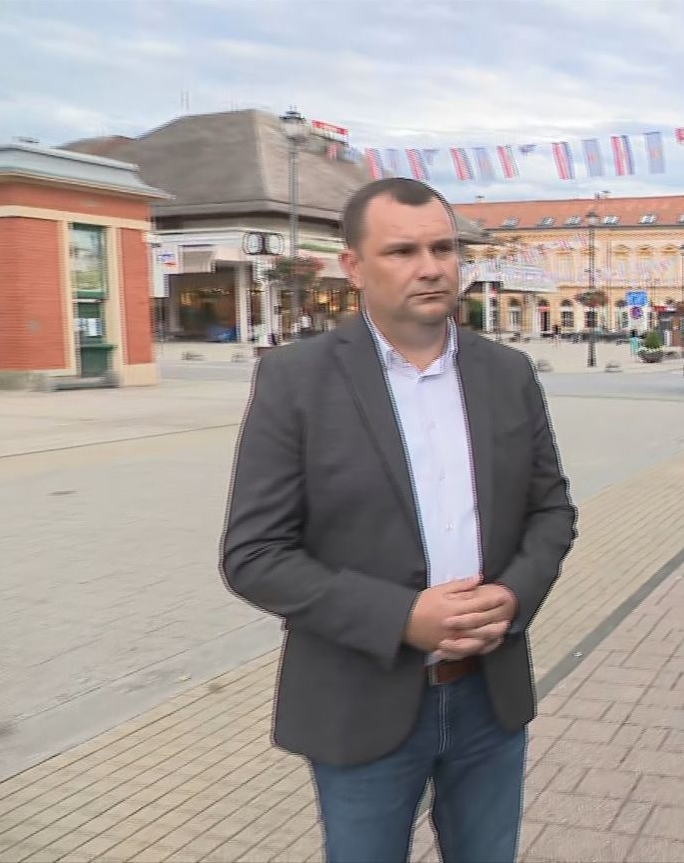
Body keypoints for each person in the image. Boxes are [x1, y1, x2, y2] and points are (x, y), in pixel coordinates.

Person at [220, 178, 577, 863]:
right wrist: (401, 618)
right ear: (353, 267)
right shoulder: (296, 380)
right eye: (403, 251)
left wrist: (514, 595)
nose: (432, 267)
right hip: (360, 703)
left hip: (488, 697)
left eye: (443, 248)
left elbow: (552, 511)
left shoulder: (508, 373)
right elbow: (255, 554)